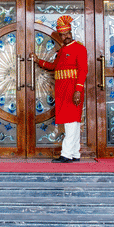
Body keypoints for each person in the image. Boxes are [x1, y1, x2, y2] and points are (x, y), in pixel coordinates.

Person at [30, 15, 87, 163]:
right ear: (60, 36)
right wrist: (38, 61)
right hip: (62, 91)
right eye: (62, 35)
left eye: (67, 33)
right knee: (72, 122)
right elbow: (54, 66)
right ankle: (75, 153)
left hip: (72, 90)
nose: (66, 36)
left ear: (71, 32)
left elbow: (83, 70)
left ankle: (66, 154)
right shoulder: (62, 51)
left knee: (71, 122)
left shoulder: (79, 48)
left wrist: (78, 90)